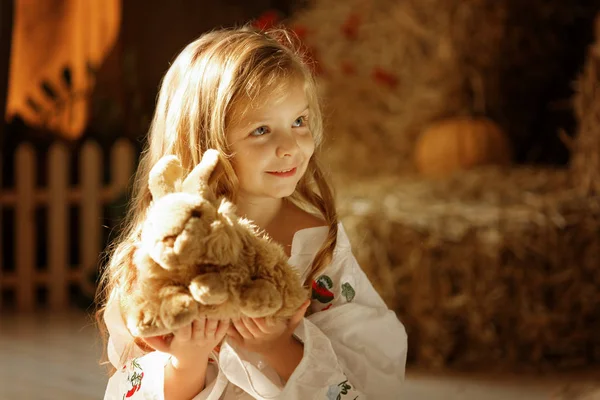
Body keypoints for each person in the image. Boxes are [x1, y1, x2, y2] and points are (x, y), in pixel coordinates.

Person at [98, 25, 407, 400]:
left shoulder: (317, 245)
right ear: (207, 142)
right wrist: (187, 360)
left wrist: (277, 346)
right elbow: (130, 383)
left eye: (299, 121)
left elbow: (366, 369)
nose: (290, 146)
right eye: (261, 130)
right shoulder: (166, 254)